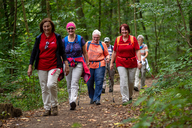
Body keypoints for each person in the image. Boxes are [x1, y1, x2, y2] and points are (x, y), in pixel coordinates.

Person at [27, 18, 69, 116]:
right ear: (42, 27)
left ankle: (54, 106)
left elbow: (63, 52)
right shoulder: (39, 38)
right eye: (44, 26)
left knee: (51, 84)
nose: (46, 28)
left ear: (52, 27)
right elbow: (33, 53)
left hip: (54, 65)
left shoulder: (57, 37)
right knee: (44, 87)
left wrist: (66, 64)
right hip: (41, 66)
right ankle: (47, 108)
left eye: (48, 26)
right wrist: (30, 66)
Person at [110, 24, 142, 105]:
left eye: (125, 30)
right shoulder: (117, 39)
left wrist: (140, 61)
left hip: (132, 62)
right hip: (120, 62)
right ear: (120, 31)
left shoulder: (133, 39)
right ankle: (125, 98)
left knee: (131, 81)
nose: (124, 31)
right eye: (122, 30)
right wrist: (111, 62)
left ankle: (130, 96)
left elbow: (137, 51)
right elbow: (114, 52)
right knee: (123, 80)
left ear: (128, 30)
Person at [63, 22, 90, 110]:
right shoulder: (64, 40)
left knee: (74, 82)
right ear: (67, 30)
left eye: (72, 28)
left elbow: (85, 52)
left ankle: (73, 101)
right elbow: (61, 54)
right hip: (67, 64)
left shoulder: (80, 38)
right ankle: (71, 100)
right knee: (69, 83)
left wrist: (87, 63)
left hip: (78, 63)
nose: (71, 30)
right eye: (69, 28)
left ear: (75, 29)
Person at [86, 29, 110, 105]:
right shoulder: (88, 44)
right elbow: (84, 53)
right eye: (94, 37)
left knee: (99, 81)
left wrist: (108, 58)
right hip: (90, 64)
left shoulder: (103, 44)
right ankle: (92, 97)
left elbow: (107, 54)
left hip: (100, 64)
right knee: (89, 82)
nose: (96, 39)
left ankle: (97, 99)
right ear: (92, 37)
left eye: (97, 37)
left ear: (99, 37)